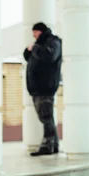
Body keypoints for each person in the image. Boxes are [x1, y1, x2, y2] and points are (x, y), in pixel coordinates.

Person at [23, 22, 62, 156]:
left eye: (35, 32)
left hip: (45, 87)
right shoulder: (40, 44)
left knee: (46, 117)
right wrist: (29, 50)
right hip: (38, 88)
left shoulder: (53, 41)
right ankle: (54, 145)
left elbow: (50, 56)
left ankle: (48, 146)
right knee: (46, 117)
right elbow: (29, 58)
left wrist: (35, 48)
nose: (34, 35)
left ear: (41, 31)